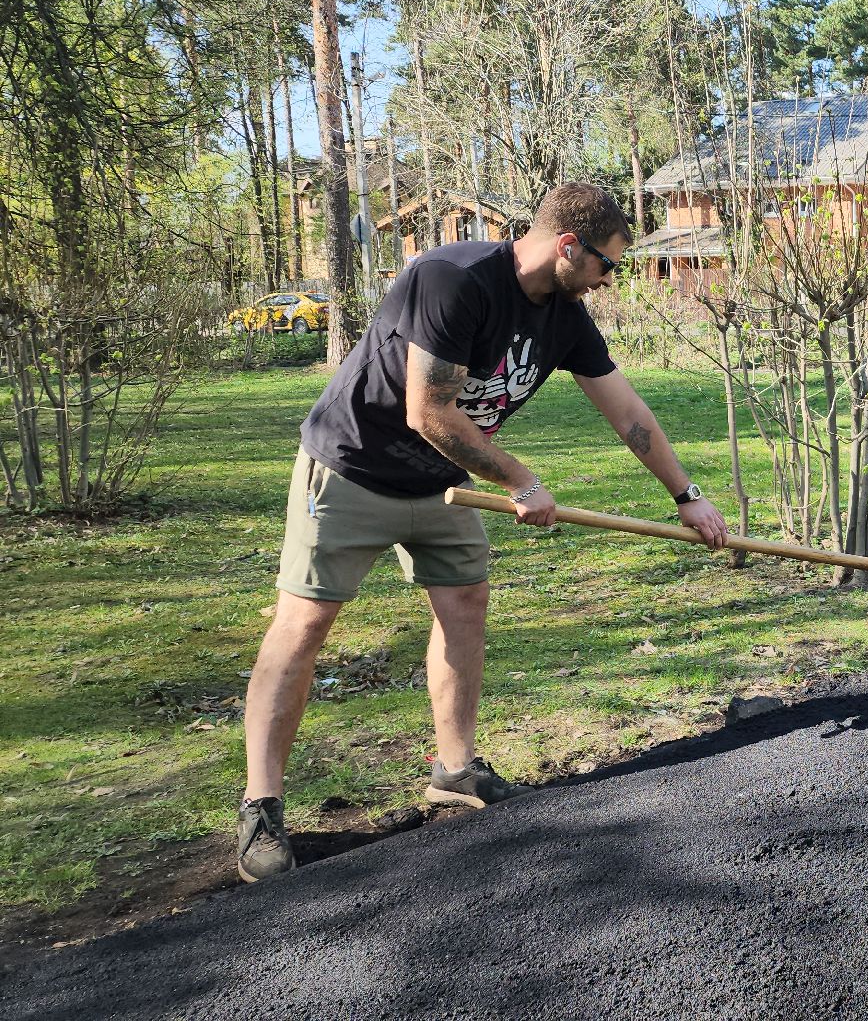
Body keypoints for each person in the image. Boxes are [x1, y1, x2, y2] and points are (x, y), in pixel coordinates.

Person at [235, 183, 727, 883]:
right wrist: (521, 480)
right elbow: (428, 411)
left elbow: (628, 412)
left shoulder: (566, 316)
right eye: (606, 265)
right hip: (351, 469)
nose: (608, 280)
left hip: (447, 483)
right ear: (567, 246)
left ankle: (455, 768)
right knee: (304, 623)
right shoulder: (451, 278)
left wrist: (686, 495)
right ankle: (261, 807)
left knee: (464, 604)